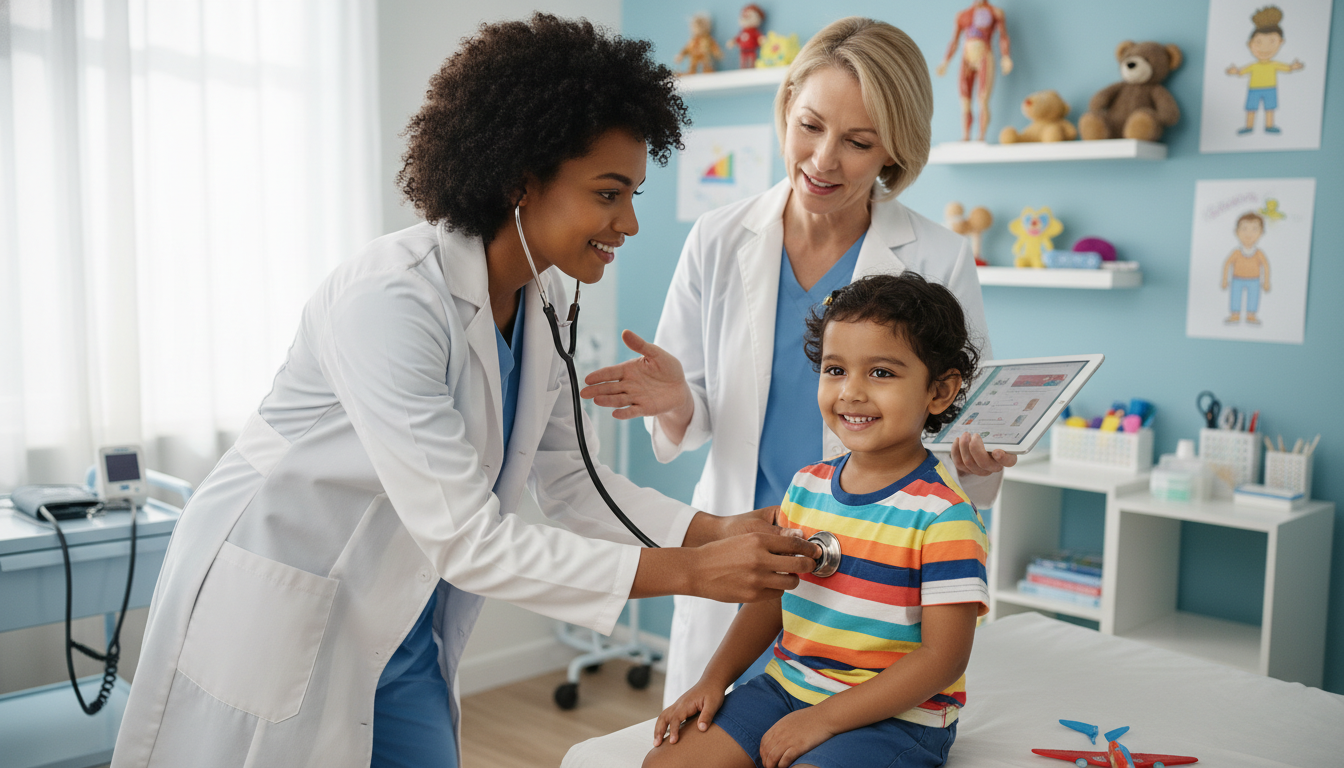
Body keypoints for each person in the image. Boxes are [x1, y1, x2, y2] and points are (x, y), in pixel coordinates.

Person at [110, 15, 819, 768]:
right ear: (521, 179)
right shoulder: (390, 299)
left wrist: (716, 531)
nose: (631, 222)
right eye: (609, 194)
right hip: (285, 596)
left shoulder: (538, 304)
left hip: (405, 621)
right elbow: (465, 537)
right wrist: (688, 574)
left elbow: (572, 482)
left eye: (635, 194)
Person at [580, 17, 1012, 708]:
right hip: (740, 544)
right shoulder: (720, 238)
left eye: (858, 142)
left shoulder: (937, 257)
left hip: (866, 568)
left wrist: (979, 462)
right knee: (710, 729)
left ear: (894, 151)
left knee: (823, 739)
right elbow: (693, 403)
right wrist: (674, 400)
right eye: (809, 126)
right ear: (786, 110)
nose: (824, 159)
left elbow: (953, 417)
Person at [645, 273, 988, 768]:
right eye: (835, 369)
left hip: (897, 717)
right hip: (787, 688)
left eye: (882, 373)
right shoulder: (807, 487)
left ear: (940, 392)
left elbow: (942, 659)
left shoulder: (944, 517)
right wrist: (712, 680)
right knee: (666, 764)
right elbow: (769, 602)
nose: (851, 392)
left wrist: (825, 719)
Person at [1225, 5, 1303, 135]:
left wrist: (1293, 67)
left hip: (1270, 88)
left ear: (1281, 42)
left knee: (1270, 109)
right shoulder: (1253, 66)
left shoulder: (1274, 64)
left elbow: (1286, 68)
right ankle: (1249, 126)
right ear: (1250, 44)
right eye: (1259, 42)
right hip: (1254, 89)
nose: (1265, 48)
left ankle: (1269, 125)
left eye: (1272, 41)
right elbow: (1242, 71)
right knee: (1251, 108)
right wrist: (1235, 71)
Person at [1221, 211, 1271, 324]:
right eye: (1244, 228)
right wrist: (1224, 280)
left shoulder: (1259, 253)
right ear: (1237, 232)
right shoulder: (1236, 253)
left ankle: (1251, 315)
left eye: (1254, 229)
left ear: (1261, 232)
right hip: (1237, 279)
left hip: (1254, 280)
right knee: (1235, 296)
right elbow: (1227, 264)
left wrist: (1266, 281)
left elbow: (1266, 266)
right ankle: (1235, 314)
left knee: (1254, 297)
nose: (1249, 233)